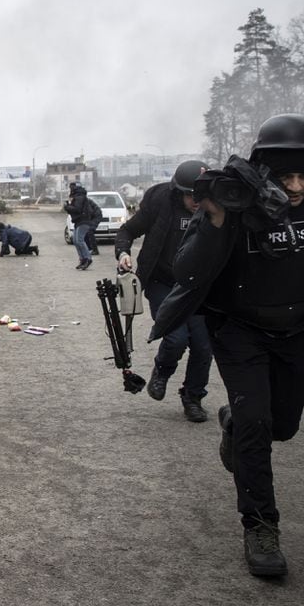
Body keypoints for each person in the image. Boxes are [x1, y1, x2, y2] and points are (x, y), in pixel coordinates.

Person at [152, 115, 304, 578]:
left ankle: (233, 423)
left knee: (282, 426)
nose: (295, 186)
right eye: (284, 176)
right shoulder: (236, 201)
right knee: (257, 424)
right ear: (263, 170)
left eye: (303, 175)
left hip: (298, 332)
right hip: (240, 332)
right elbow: (186, 270)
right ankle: (260, 526)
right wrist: (213, 221)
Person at [114, 160, 213, 423]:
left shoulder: (216, 210)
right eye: (190, 195)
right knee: (176, 338)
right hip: (162, 283)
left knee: (204, 346)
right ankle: (162, 371)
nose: (196, 201)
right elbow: (128, 230)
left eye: (201, 195)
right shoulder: (160, 203)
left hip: (199, 288)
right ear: (179, 191)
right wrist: (123, 252)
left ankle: (193, 397)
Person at [64, 184, 100, 270]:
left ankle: (87, 258)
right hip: (79, 221)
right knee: (76, 241)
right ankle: (82, 259)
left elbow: (77, 209)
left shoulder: (79, 197)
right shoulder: (79, 197)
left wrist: (67, 207)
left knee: (79, 240)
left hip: (83, 221)